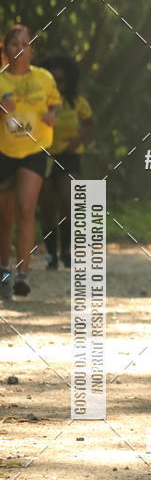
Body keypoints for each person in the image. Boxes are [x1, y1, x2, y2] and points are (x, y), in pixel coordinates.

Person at [0, 25, 60, 298]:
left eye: (26, 44)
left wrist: (52, 115)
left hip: (35, 149)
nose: (20, 48)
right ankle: (4, 271)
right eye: (14, 44)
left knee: (26, 209)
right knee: (5, 217)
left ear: (31, 50)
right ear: (5, 49)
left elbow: (54, 104)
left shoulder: (45, 78)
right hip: (4, 151)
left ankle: (22, 275)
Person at [38, 55, 93, 268]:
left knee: (69, 202)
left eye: (61, 81)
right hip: (43, 156)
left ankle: (67, 252)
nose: (57, 85)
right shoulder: (39, 102)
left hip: (69, 156)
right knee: (46, 207)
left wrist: (77, 141)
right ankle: (51, 255)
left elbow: (90, 125)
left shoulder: (76, 102)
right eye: (53, 80)